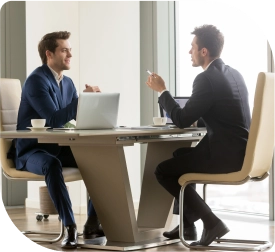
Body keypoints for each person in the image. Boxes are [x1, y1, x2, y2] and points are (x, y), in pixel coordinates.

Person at [146, 24, 251, 246]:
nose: (189, 51)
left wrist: (162, 91)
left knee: (163, 171)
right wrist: (197, 115)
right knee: (179, 155)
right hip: (242, 152)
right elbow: (225, 113)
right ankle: (187, 224)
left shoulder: (205, 79)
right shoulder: (234, 74)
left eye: (192, 47)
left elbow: (182, 120)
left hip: (226, 157)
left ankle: (211, 222)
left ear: (204, 51)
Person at [15, 31, 104, 249]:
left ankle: (92, 223)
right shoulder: (36, 80)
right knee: (52, 164)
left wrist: (93, 106)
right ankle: (70, 226)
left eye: (70, 50)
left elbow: (75, 117)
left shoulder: (68, 83)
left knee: (100, 159)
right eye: (64, 50)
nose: (70, 54)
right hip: (32, 151)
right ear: (49, 54)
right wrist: (83, 100)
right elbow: (53, 120)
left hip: (57, 146)